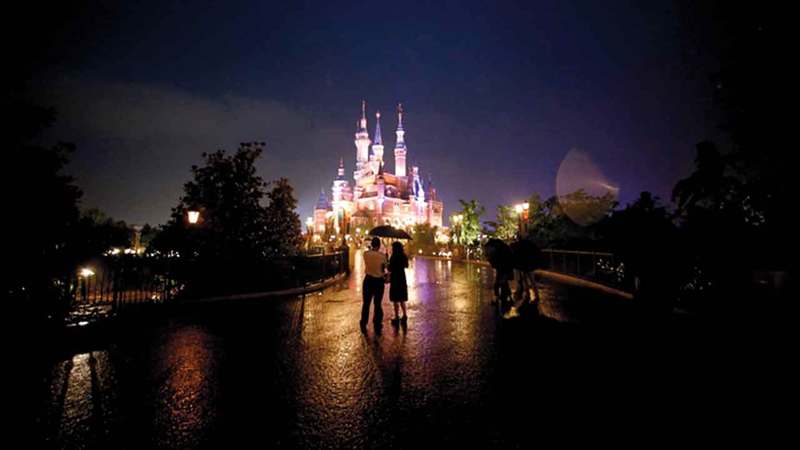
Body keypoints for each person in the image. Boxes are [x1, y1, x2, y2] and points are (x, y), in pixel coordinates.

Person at [361, 237, 387, 332]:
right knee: (377, 303)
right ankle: (377, 323)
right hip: (378, 281)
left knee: (366, 303)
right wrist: (386, 257)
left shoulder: (366, 254)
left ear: (372, 244)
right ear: (379, 246)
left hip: (368, 280)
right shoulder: (382, 256)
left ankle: (363, 323)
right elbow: (384, 268)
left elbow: (368, 253)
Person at [484, 238, 514, 305]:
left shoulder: (496, 250)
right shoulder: (501, 248)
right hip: (504, 266)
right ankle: (507, 297)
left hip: (503, 267)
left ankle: (499, 298)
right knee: (503, 282)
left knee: (499, 283)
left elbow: (494, 260)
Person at [388, 241, 409, 326]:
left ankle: (397, 316)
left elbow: (390, 268)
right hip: (402, 278)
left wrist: (388, 261)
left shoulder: (393, 257)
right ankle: (404, 315)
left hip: (395, 278)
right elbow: (406, 265)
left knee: (395, 299)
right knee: (402, 298)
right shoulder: (403, 256)